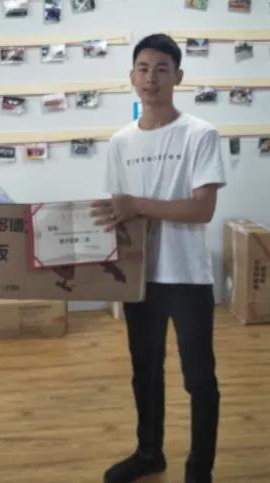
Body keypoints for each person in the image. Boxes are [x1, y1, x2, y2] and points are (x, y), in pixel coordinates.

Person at [92, 33, 226, 483]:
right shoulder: (120, 142)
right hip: (140, 277)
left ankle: (199, 469)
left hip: (187, 277)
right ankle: (149, 453)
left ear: (178, 77)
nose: (151, 78)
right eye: (143, 68)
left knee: (199, 378)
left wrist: (139, 205)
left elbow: (202, 210)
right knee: (144, 371)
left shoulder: (200, 134)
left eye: (162, 69)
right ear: (132, 77)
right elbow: (118, 213)